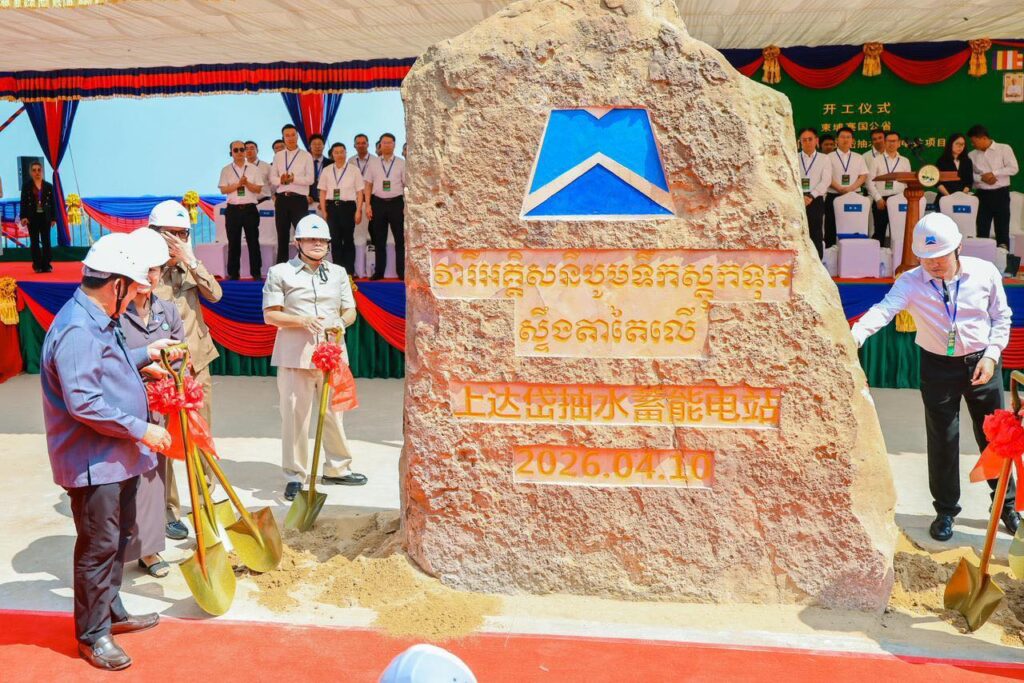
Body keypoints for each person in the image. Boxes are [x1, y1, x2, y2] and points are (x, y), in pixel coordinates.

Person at [41, 232, 183, 670]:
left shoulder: (99, 316)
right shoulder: (78, 328)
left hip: (115, 457)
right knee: (98, 546)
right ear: (116, 284)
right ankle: (92, 635)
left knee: (118, 537)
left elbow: (109, 363)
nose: (138, 295)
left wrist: (144, 355)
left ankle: (111, 611)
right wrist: (143, 430)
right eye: (134, 287)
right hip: (94, 461)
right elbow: (85, 402)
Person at [851, 213, 1019, 542]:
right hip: (937, 367)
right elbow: (884, 310)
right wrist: (854, 335)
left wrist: (991, 355)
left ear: (958, 248)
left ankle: (1006, 506)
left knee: (995, 439)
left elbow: (1002, 317)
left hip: (982, 363)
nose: (933, 264)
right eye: (926, 258)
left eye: (940, 256)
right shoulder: (911, 282)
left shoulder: (984, 273)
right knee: (942, 438)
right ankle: (945, 510)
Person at [262, 214, 366, 500]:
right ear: (298, 242)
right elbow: (271, 315)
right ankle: (295, 476)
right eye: (310, 239)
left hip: (332, 354)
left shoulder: (338, 273)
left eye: (322, 240)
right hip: (296, 356)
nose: (317, 244)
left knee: (334, 413)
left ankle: (337, 468)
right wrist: (301, 321)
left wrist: (341, 323)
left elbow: (350, 310)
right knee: (295, 417)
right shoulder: (280, 272)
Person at [150, 199, 222, 540]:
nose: (177, 240)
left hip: (197, 362)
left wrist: (190, 259)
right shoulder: (146, 271)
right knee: (165, 440)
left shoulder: (190, 266)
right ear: (154, 233)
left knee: (201, 434)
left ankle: (205, 498)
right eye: (171, 234)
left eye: (183, 234)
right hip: (163, 369)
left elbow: (215, 294)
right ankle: (168, 510)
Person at [120, 228, 182, 579]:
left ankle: (149, 549)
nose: (148, 276)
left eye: (154, 270)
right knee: (122, 479)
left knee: (154, 477)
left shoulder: (168, 310)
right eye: (142, 269)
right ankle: (117, 546)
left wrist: (172, 373)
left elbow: (180, 353)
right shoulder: (116, 313)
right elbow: (108, 358)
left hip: (159, 406)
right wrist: (145, 365)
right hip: (123, 405)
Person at [968, 124, 1019, 250]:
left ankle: (1004, 257)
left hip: (1001, 194)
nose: (973, 144)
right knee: (981, 228)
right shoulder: (971, 155)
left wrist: (993, 174)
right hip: (982, 195)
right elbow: (969, 176)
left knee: (1002, 228)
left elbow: (1014, 168)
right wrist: (982, 178)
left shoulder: (1004, 149)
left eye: (974, 141)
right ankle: (981, 256)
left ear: (983, 138)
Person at [364, 133, 407, 280]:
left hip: (396, 203)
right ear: (380, 145)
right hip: (378, 203)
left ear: (394, 145)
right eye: (384, 143)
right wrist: (368, 205)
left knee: (400, 240)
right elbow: (368, 185)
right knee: (379, 240)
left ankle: (402, 272)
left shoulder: (401, 163)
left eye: (390, 143)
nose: (387, 145)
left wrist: (406, 205)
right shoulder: (373, 163)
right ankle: (379, 272)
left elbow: (406, 185)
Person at [219, 140, 263, 280]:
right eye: (236, 150)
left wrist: (246, 183)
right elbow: (223, 190)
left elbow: (258, 189)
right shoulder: (226, 170)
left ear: (245, 151)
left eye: (241, 149)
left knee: (253, 242)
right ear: (231, 153)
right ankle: (233, 274)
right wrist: (238, 185)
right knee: (233, 243)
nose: (239, 152)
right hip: (233, 210)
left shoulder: (254, 169)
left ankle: (256, 273)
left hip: (250, 209)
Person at [318, 142, 365, 275]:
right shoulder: (327, 170)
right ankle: (337, 272)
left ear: (346, 153)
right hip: (332, 208)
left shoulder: (354, 170)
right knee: (335, 240)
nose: (339, 155)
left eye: (341, 152)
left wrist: (358, 211)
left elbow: (360, 192)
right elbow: (322, 191)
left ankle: (349, 272)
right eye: (336, 152)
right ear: (332, 155)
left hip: (348, 207)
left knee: (348, 240)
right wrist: (324, 211)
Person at [271, 124, 314, 264]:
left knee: (303, 235)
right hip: (282, 200)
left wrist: (294, 179)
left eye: (293, 135)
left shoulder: (306, 156)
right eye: (287, 135)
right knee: (282, 235)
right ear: (283, 137)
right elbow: (272, 178)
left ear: (297, 136)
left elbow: (310, 179)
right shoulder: (278, 156)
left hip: (299, 200)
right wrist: (281, 180)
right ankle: (281, 268)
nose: (290, 138)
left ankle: (306, 264)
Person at [826, 126, 869, 247]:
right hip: (834, 195)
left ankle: (853, 250)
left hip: (854, 195)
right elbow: (827, 176)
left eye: (848, 137)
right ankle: (830, 252)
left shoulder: (858, 157)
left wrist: (851, 188)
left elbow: (863, 176)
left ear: (852, 140)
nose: (845, 139)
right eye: (842, 137)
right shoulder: (828, 157)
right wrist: (839, 188)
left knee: (853, 225)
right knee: (831, 226)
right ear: (837, 140)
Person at [866, 130, 910, 245]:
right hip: (882, 200)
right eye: (889, 141)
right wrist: (878, 198)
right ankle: (877, 255)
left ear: (899, 143)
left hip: (899, 200)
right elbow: (869, 182)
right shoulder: (876, 160)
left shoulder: (905, 161)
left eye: (894, 141)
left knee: (899, 232)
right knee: (879, 231)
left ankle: (898, 255)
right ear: (885, 143)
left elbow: (908, 183)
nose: (891, 143)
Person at [797, 128, 830, 258]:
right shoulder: (794, 157)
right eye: (804, 140)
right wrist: (800, 196)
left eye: (810, 139)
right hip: (797, 198)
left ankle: (818, 263)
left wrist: (811, 196)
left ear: (816, 140)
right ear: (800, 142)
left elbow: (826, 181)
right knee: (797, 232)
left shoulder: (824, 158)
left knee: (816, 233)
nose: (807, 142)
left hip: (815, 199)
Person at [20, 161, 56, 273]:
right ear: (31, 172)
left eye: (39, 170)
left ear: (42, 171)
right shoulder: (26, 186)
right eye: (34, 170)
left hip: (45, 217)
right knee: (34, 242)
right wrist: (23, 217)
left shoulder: (49, 186)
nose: (37, 172)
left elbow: (53, 203)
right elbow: (23, 202)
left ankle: (47, 265)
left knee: (46, 241)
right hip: (32, 217)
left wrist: (53, 218)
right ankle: (37, 265)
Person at [935, 134, 974, 200]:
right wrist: (949, 197)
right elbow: (937, 182)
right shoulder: (942, 161)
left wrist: (961, 196)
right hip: (944, 198)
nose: (960, 147)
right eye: (957, 144)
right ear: (951, 144)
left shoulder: (967, 161)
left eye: (962, 144)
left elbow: (969, 182)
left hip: (962, 199)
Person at [309, 133, 327, 207]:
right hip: (308, 202)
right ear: (310, 146)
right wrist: (304, 196)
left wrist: (330, 200)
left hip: (327, 202)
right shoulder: (304, 163)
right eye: (314, 144)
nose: (317, 146)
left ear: (324, 146)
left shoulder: (331, 163)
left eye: (319, 144)